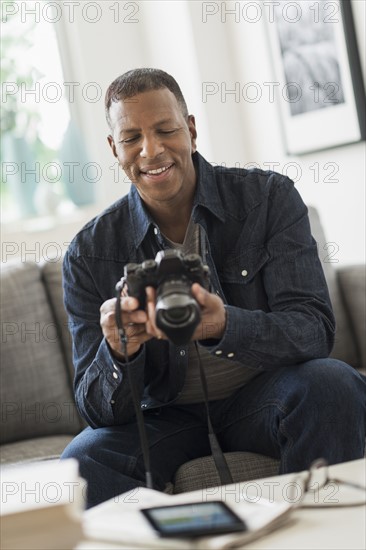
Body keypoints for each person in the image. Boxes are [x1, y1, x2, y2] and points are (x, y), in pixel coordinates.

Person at [61, 68, 366, 508]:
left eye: (166, 130)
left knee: (334, 385)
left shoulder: (268, 199)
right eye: (131, 138)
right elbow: (95, 412)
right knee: (81, 460)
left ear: (191, 130)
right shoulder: (90, 253)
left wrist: (226, 324)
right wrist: (119, 352)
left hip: (264, 394)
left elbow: (314, 329)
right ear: (114, 148)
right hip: (165, 416)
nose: (151, 150)